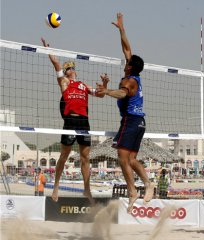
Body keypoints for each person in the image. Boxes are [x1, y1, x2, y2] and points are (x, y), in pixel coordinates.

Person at [96, 13, 154, 213]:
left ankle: (132, 191)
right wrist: (121, 29)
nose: (125, 61)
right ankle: (147, 184)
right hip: (140, 122)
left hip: (130, 121)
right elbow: (127, 48)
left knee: (122, 157)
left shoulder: (128, 81)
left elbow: (122, 93)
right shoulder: (134, 74)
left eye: (127, 62)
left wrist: (107, 90)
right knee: (131, 159)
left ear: (130, 66)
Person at [41, 38, 110, 204]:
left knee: (85, 158)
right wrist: (48, 52)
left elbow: (100, 94)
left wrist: (105, 85)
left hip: (84, 122)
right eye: (69, 68)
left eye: (72, 67)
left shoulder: (83, 85)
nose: (72, 69)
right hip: (70, 121)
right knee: (64, 155)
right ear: (66, 72)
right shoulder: (64, 82)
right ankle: (56, 186)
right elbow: (56, 64)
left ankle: (87, 189)